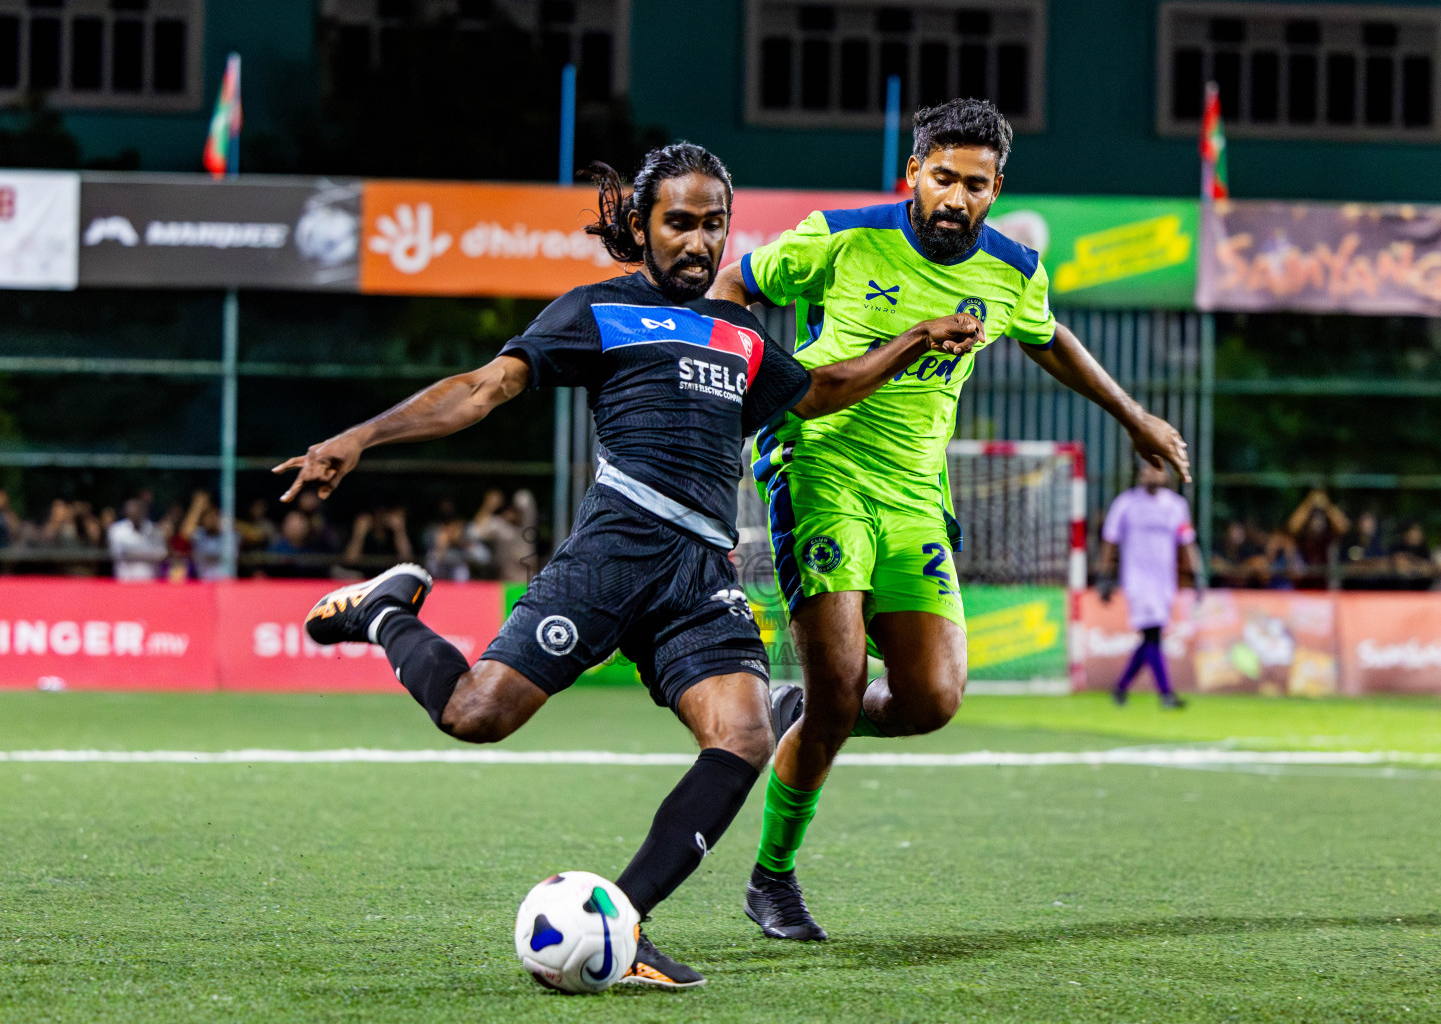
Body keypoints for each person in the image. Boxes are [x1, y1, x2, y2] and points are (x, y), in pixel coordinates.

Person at [273, 142, 983, 988]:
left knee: (748, 734)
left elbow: (820, 392)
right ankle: (385, 610)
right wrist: (362, 437)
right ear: (640, 226)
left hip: (700, 573)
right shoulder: (596, 312)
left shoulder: (744, 334)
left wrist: (913, 339)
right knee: (475, 715)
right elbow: (482, 388)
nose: (698, 242)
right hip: (616, 549)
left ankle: (627, 923)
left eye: (713, 224)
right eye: (679, 223)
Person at [710, 97, 1192, 942]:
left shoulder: (1012, 272)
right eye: (942, 178)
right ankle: (772, 879)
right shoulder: (842, 236)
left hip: (917, 498)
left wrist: (1134, 416)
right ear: (913, 176)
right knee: (839, 688)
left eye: (975, 184)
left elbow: (1049, 340)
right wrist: (748, 385)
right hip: (818, 469)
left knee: (932, 698)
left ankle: (811, 706)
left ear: (996, 188)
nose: (956, 197)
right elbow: (733, 285)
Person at [1097, 461, 1201, 707]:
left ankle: (1121, 688)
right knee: (1152, 635)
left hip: (1164, 582)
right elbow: (1110, 541)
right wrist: (1105, 575)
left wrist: (1196, 575)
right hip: (1137, 580)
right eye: (1145, 470)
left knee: (1150, 638)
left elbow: (1187, 541)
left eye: (1156, 470)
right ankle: (1166, 694)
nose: (1150, 475)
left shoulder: (1176, 506)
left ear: (1165, 475)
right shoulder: (1126, 504)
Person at [469, 489, 538, 582]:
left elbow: (525, 499)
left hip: (528, 583)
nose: (512, 513)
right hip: (506, 584)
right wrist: (489, 506)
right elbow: (473, 532)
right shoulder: (499, 526)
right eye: (509, 510)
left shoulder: (527, 525)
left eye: (515, 510)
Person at [107, 498, 168, 582]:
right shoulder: (116, 530)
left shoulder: (154, 529)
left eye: (139, 510)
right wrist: (148, 554)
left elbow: (162, 554)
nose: (136, 513)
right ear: (127, 512)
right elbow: (118, 554)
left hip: (149, 580)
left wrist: (134, 553)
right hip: (125, 580)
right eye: (133, 510)